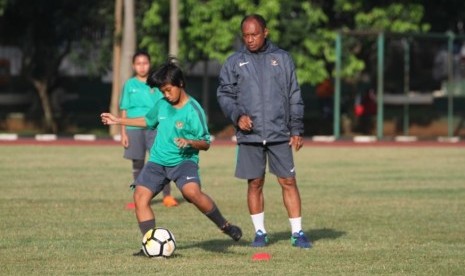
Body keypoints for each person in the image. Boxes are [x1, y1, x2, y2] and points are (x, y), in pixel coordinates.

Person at [101, 58, 242, 255]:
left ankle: (225, 225)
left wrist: (190, 142)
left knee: (191, 193)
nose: (166, 95)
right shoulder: (162, 104)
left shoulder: (194, 110)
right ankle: (149, 244)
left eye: (168, 90)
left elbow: (206, 143)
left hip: (183, 161)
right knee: (140, 197)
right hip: (158, 160)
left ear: (180, 84)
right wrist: (118, 120)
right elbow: (148, 121)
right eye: (162, 91)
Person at [217, 14, 311, 248]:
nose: (250, 39)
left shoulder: (283, 58)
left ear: (265, 32)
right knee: (254, 183)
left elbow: (294, 95)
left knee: (288, 180)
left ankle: (297, 233)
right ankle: (260, 233)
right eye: (246, 35)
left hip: (279, 133)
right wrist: (238, 116)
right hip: (250, 136)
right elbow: (225, 95)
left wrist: (296, 128)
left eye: (254, 34)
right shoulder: (234, 62)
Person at [119, 50, 178, 208]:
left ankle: (167, 196)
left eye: (145, 63)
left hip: (154, 127)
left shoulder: (155, 83)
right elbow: (124, 108)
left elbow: (164, 105)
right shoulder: (129, 84)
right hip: (133, 127)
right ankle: (138, 198)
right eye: (138, 63)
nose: (142, 67)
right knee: (138, 164)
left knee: (161, 161)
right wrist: (123, 132)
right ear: (133, 65)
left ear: (149, 64)